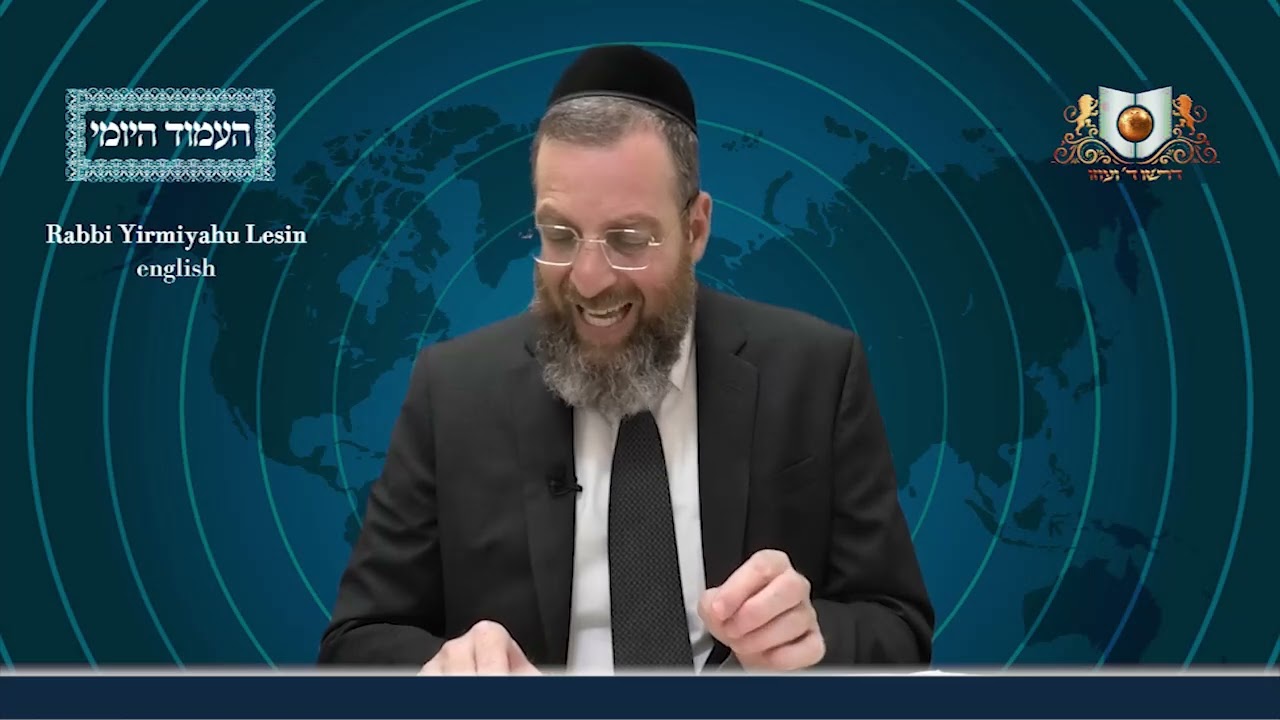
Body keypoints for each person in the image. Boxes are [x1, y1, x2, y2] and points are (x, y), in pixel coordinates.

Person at [317, 44, 934, 675]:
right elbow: (354, 642)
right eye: (560, 235)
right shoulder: (451, 390)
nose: (588, 280)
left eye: (629, 239)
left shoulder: (818, 372)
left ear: (695, 229)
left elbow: (899, 628)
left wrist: (811, 638)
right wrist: (446, 666)